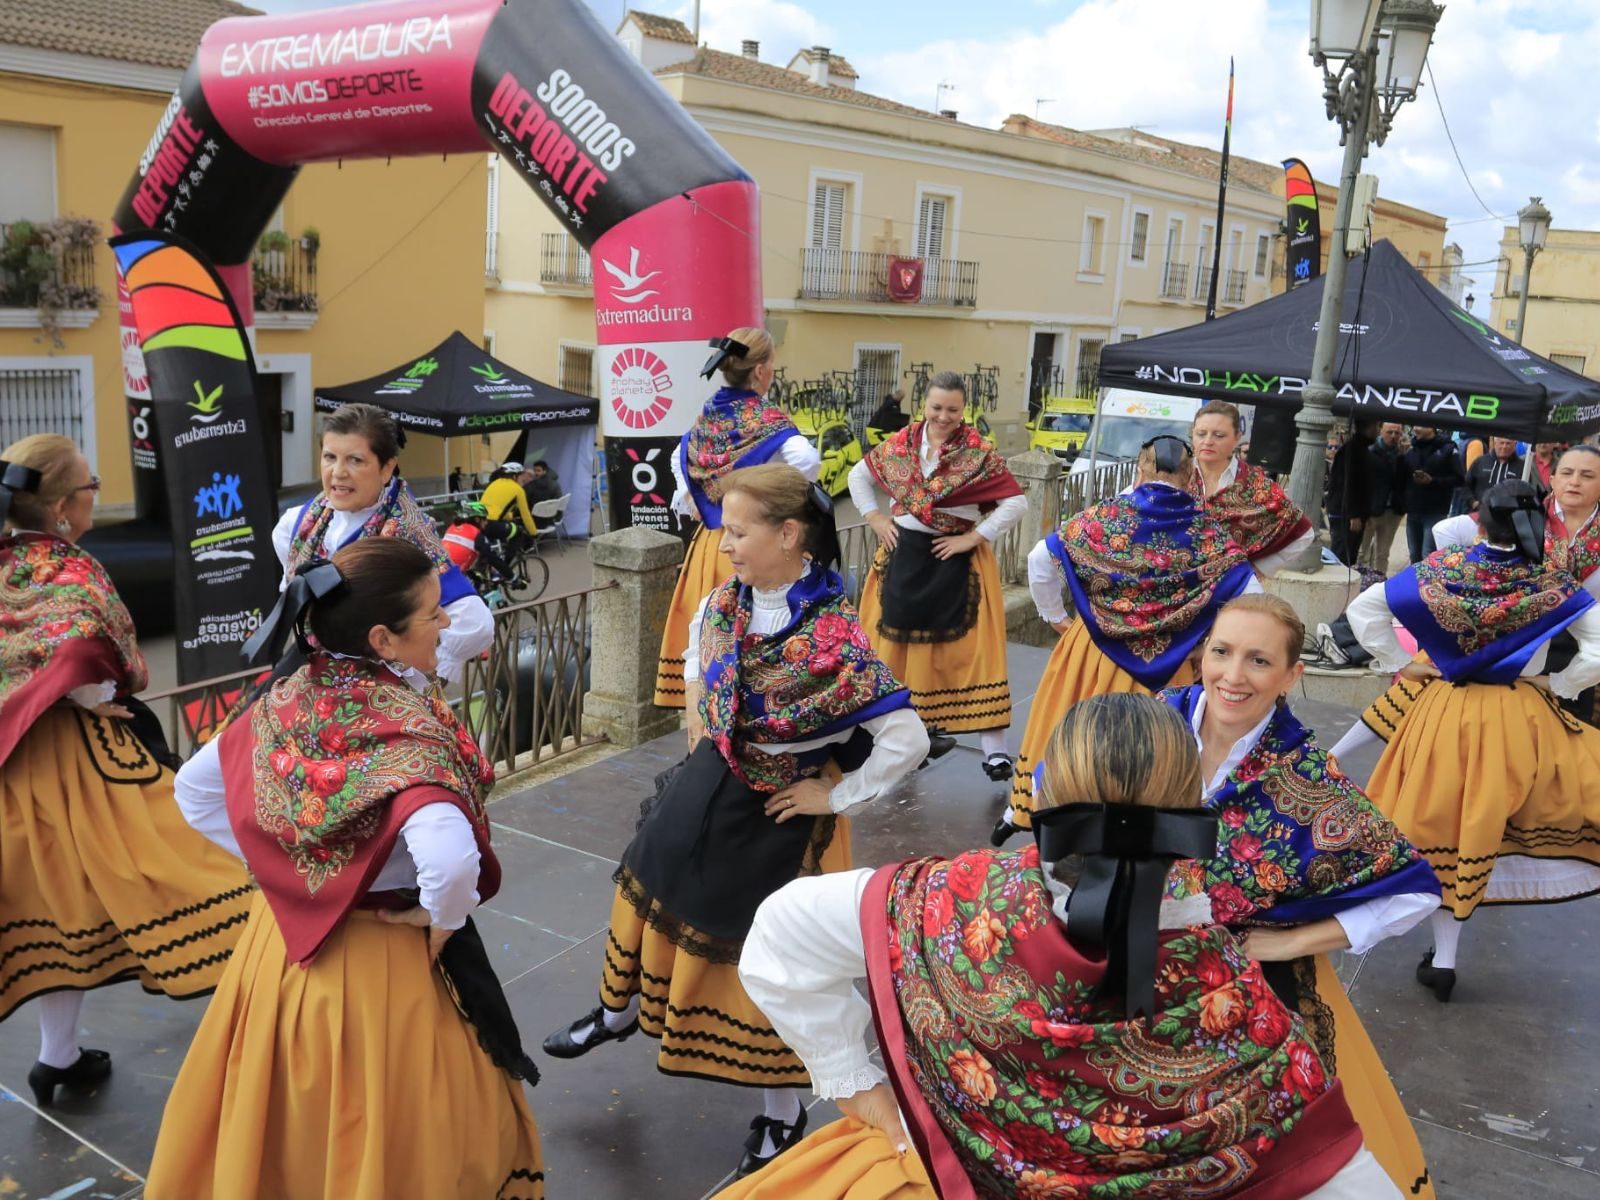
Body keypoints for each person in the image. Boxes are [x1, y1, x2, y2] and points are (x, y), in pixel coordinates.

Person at [721, 693, 1399, 1200]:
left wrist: (858, 1089)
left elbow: (780, 935)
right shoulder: (1247, 1017)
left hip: (946, 1172)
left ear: (1044, 792)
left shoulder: (950, 905)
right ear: (1193, 815)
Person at [542, 464, 928, 1179]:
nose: (724, 543)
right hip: (714, 776)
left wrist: (834, 797)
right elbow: (697, 655)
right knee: (646, 876)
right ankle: (618, 1011)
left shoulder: (834, 640)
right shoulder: (728, 600)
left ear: (788, 534)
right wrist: (697, 716)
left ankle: (779, 1116)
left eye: (739, 530)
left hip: (782, 813)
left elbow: (908, 737)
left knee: (775, 958)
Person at [146, 538, 543, 1198]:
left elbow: (194, 791)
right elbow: (447, 859)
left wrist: (292, 868)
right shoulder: (404, 726)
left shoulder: (283, 696)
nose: (446, 623)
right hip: (381, 960)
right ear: (384, 639)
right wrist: (443, 916)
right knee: (390, 1121)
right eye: (432, 614)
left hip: (283, 949)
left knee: (279, 1117)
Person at [0, 434, 252, 1107]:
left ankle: (58, 1057)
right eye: (88, 486)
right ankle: (268, 1034)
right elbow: (100, 650)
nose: (94, 494)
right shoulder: (75, 570)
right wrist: (94, 692)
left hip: (12, 765)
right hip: (82, 764)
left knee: (54, 914)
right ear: (60, 509)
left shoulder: (3, 563)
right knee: (198, 873)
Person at [1163, 594, 1441, 1198]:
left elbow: (1415, 893)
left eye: (1258, 661)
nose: (1233, 677)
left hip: (1248, 995)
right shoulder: (1152, 726)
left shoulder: (1306, 775)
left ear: (1293, 676)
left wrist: (1294, 940)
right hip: (1137, 971)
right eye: (1222, 652)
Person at [1347, 480, 1600, 1001]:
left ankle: (1440, 958)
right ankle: (1445, 959)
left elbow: (1365, 612)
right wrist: (1561, 682)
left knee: (1440, 825)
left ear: (1478, 519)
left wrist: (1400, 665)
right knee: (1481, 826)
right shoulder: (1551, 581)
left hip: (1443, 706)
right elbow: (1598, 646)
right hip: (1514, 713)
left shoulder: (1441, 570)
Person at [999, 435, 1256, 844]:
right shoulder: (1208, 533)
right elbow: (1250, 597)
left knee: (1068, 731)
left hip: (1093, 650)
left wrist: (1057, 618)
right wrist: (1210, 642)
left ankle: (1028, 809)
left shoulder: (1102, 518)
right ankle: (1141, 830)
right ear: (1191, 477)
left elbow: (1038, 560)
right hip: (1171, 663)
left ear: (1141, 468)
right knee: (1153, 751)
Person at [1331, 444, 1600, 741]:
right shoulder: (1523, 508)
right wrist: (1465, 580)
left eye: (1587, 475)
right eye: (1567, 472)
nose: (1574, 481)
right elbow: (1446, 530)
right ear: (1553, 478)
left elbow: (1365, 608)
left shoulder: (1522, 517)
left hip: (1572, 642)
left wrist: (1562, 683)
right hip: (1494, 649)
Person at [850, 370, 1027, 779]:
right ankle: (900, 737)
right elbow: (858, 476)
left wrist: (973, 539)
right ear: (922, 406)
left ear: (964, 410)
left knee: (972, 653)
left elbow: (1015, 503)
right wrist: (875, 517)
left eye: (952, 409)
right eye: (936, 407)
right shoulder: (902, 444)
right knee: (894, 652)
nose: (943, 416)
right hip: (903, 556)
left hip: (956, 558)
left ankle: (995, 751)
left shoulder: (978, 452)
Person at [653, 328, 820, 709]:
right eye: (772, 364)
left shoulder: (708, 416)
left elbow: (679, 460)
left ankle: (707, 731)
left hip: (711, 544)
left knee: (709, 640)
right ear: (760, 371)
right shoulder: (766, 420)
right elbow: (807, 462)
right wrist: (779, 495)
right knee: (761, 639)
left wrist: (698, 502)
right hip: (759, 547)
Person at [272, 403, 492, 684]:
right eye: (330, 457)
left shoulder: (408, 535)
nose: (338, 472)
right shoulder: (300, 523)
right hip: (310, 671)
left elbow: (474, 622)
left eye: (355, 460)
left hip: (374, 690)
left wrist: (429, 677)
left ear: (387, 468)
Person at [1190, 399, 1313, 575]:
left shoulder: (1254, 483)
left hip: (1231, 588)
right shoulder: (1175, 475)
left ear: (1237, 437)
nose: (1208, 441)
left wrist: (1256, 570)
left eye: (1219, 435)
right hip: (1176, 587)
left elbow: (1304, 533)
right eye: (1201, 433)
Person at [1400, 425, 1462, 562]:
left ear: (1431, 428)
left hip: (1435, 511)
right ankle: (1414, 583)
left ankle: (1428, 583)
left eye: (1420, 426)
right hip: (1413, 511)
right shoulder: (1411, 449)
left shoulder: (1448, 449)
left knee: (1428, 555)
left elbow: (1459, 479)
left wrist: (1433, 481)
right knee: (1414, 554)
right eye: (1415, 426)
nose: (1416, 429)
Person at [1326, 419, 1378, 566]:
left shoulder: (1361, 450)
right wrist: (1353, 514)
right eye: (1376, 427)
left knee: (1350, 555)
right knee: (1342, 555)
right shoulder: (1352, 451)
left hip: (1355, 513)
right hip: (1346, 514)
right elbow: (1348, 483)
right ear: (1370, 428)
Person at [1358, 422, 1407, 574]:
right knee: (1361, 551)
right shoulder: (1369, 451)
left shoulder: (1403, 455)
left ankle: (1378, 583)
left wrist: (1405, 457)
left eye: (1397, 433)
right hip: (1370, 510)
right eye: (1389, 432)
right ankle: (1358, 581)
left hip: (1393, 511)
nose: (1393, 436)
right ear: (1380, 431)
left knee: (1382, 554)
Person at [483, 461, 541, 538]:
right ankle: (510, 550)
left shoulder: (494, 483)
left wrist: (509, 516)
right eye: (521, 475)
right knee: (519, 533)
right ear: (514, 476)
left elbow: (498, 506)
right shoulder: (518, 490)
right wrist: (534, 533)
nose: (523, 478)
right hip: (493, 524)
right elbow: (525, 515)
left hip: (482, 521)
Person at [1465, 436, 1523, 506]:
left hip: (1508, 513)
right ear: (1495, 443)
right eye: (1502, 443)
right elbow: (1465, 485)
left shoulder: (1521, 467)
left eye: (1508, 443)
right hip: (1481, 511)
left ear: (1515, 444)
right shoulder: (1481, 462)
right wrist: (1472, 502)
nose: (1504, 446)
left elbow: (1525, 492)